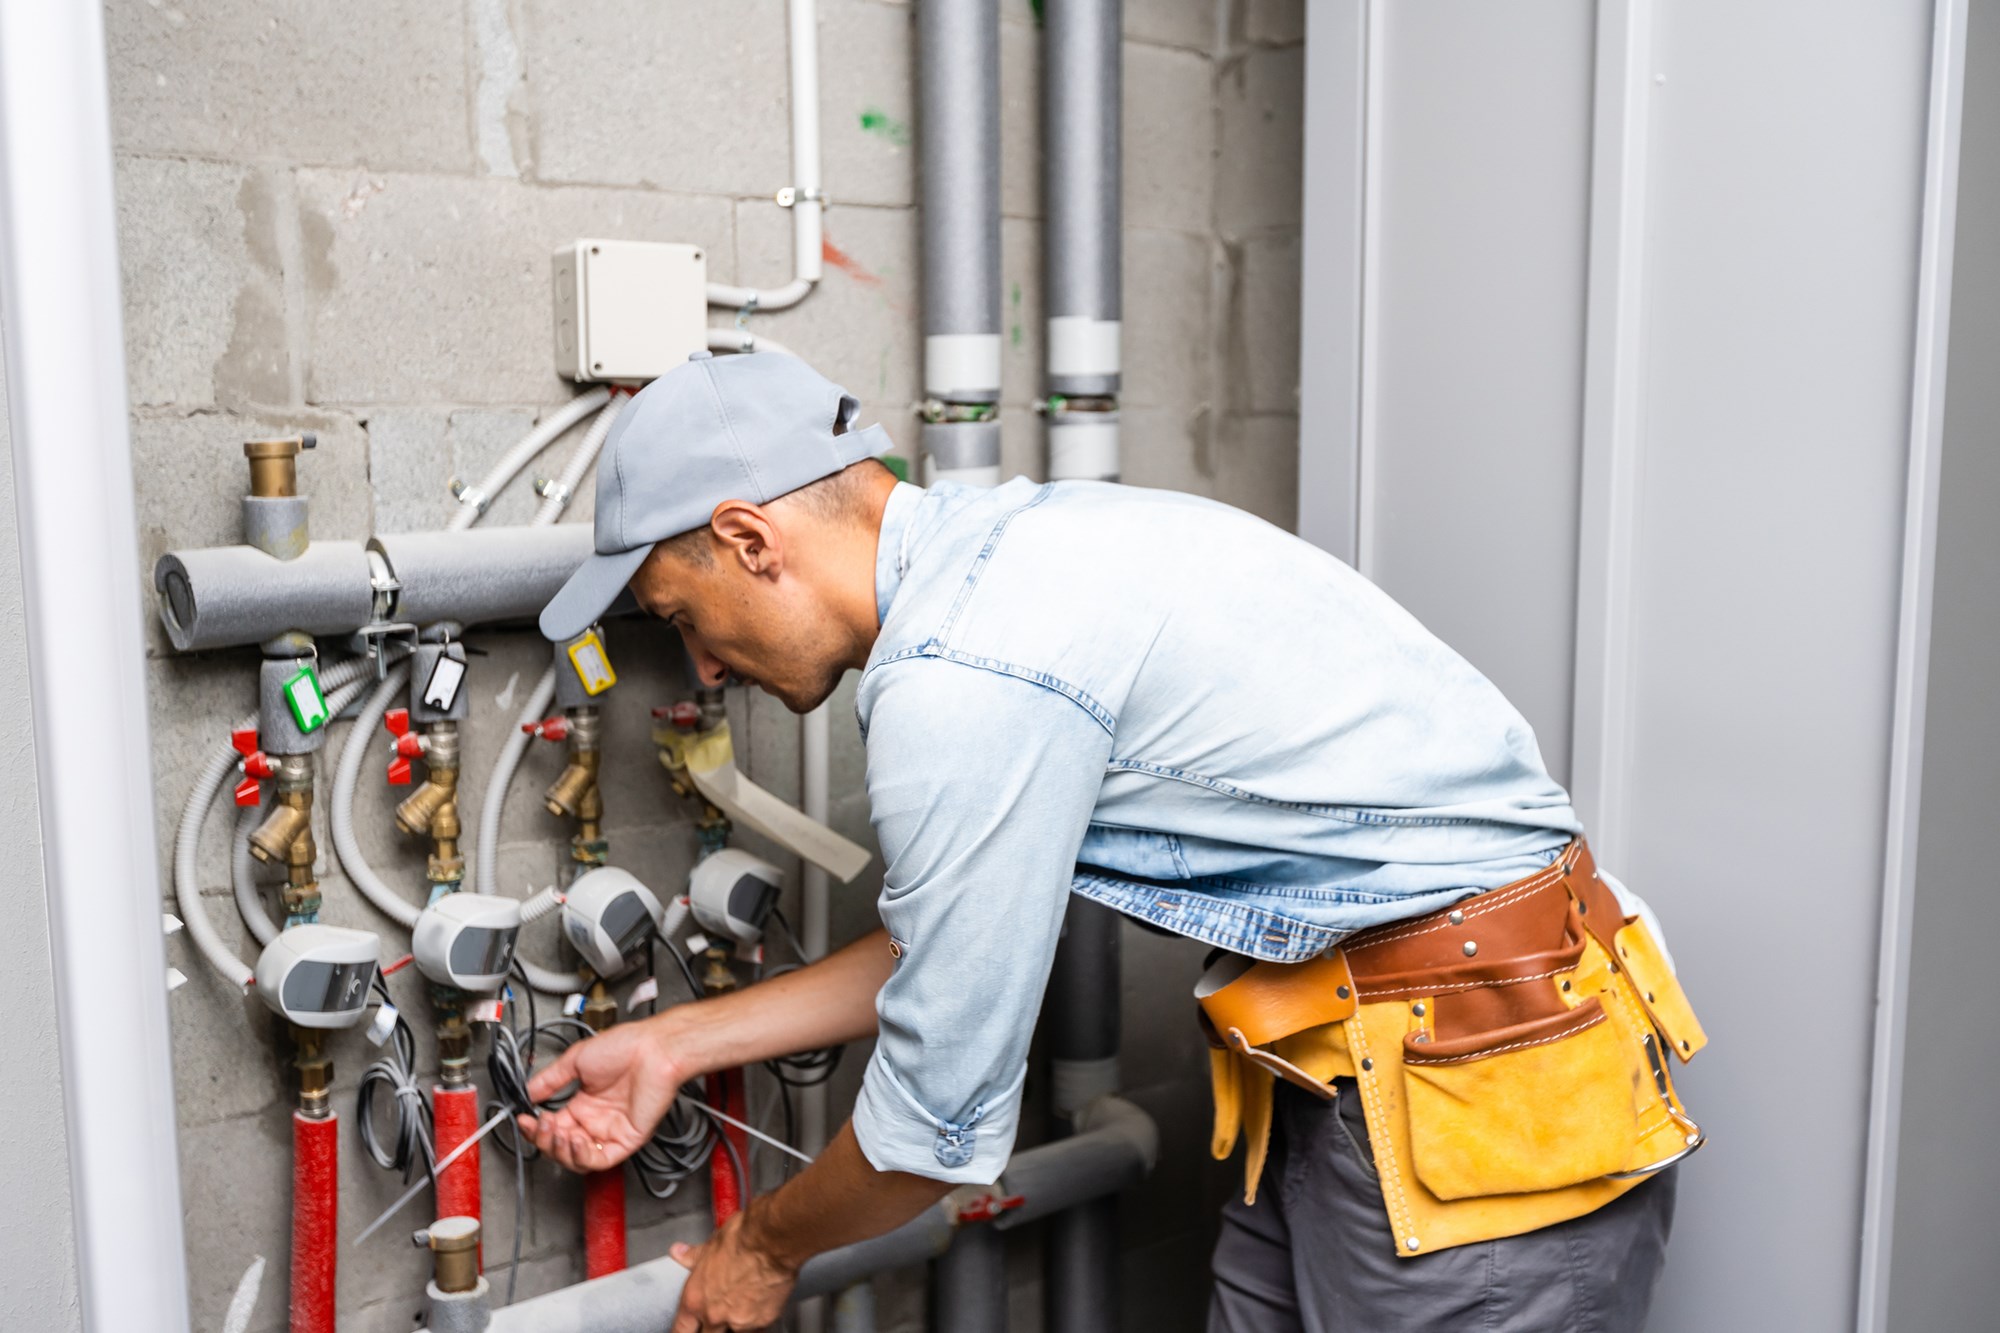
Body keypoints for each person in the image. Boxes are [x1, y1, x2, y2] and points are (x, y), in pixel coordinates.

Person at [520, 350, 1706, 1332]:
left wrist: (761, 1249)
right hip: (1357, 1070)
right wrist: (677, 1040)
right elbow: (957, 947)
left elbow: (933, 1134)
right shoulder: (1017, 548)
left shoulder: (962, 673)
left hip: (1474, 1099)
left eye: (684, 620)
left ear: (748, 538)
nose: (706, 668)